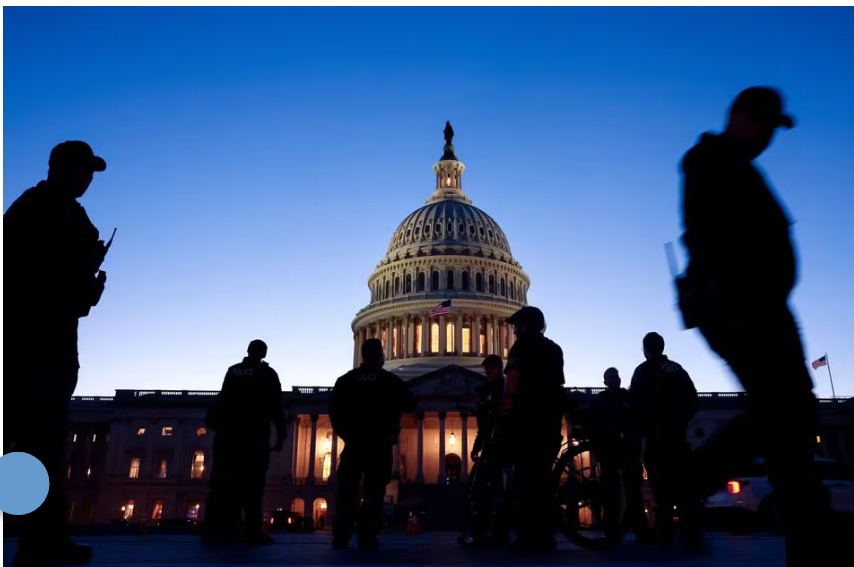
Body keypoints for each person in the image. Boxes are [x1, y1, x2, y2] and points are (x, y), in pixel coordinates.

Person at [678, 86, 844, 566]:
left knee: (789, 420)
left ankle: (808, 536)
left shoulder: (735, 164)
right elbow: (711, 241)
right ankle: (695, 476)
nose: (769, 138)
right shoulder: (712, 163)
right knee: (786, 411)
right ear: (741, 118)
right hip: (745, 309)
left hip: (764, 308)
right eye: (764, 127)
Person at [4, 141, 111, 566]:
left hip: (57, 336)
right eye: (82, 169)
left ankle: (45, 536)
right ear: (59, 167)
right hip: (26, 337)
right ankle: (28, 536)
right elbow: (21, 273)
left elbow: (71, 284)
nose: (87, 179)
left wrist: (88, 288)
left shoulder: (74, 213)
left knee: (46, 441)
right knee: (26, 440)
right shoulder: (33, 208)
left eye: (90, 172)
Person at [329, 338, 416, 550]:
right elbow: (411, 404)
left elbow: (334, 413)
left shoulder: (346, 381)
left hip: (355, 444)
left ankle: (340, 537)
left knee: (347, 491)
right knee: (374, 493)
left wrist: (347, 435)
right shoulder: (389, 381)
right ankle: (367, 537)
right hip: (379, 444)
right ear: (379, 355)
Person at [202, 339, 287, 546]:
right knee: (253, 486)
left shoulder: (233, 371)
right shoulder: (267, 374)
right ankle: (252, 531)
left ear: (248, 351)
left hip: (228, 436)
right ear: (264, 353)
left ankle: (217, 530)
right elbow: (276, 406)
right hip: (253, 436)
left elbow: (222, 400)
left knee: (223, 485)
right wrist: (281, 434)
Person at [502, 306, 565, 551]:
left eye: (517, 325)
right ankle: (546, 534)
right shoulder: (554, 349)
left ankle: (527, 535)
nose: (515, 330)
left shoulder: (521, 348)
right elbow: (558, 383)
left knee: (525, 480)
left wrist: (506, 409)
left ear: (527, 326)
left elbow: (514, 380)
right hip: (549, 420)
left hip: (526, 419)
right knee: (543, 478)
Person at [629, 333, 699, 548]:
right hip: (678, 436)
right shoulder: (677, 369)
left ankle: (665, 532)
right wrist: (682, 421)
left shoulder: (643, 371)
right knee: (684, 487)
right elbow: (693, 399)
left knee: (662, 489)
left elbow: (635, 405)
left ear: (645, 349)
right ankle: (691, 534)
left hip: (656, 437)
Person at [588, 367, 650, 542]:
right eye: (611, 377)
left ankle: (628, 530)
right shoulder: (616, 399)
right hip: (614, 450)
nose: (615, 379)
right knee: (615, 492)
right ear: (606, 382)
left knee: (628, 492)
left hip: (625, 449)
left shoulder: (620, 398)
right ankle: (623, 530)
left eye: (616, 376)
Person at [459, 354, 511, 546]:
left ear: (500, 368)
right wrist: (478, 445)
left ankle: (495, 531)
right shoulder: (485, 389)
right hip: (490, 443)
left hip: (502, 444)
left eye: (492, 367)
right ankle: (480, 531)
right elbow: (484, 422)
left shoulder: (506, 389)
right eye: (486, 368)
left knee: (495, 490)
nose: (488, 371)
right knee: (483, 490)